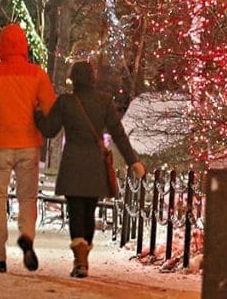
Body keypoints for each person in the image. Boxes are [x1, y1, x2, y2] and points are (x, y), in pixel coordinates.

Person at [35, 60, 146, 278]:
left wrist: (37, 114)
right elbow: (118, 134)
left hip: (73, 163)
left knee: (76, 211)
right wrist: (133, 160)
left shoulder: (66, 101)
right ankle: (84, 258)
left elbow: (49, 130)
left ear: (73, 79)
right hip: (96, 165)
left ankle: (80, 259)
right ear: (92, 78)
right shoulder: (104, 102)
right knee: (89, 211)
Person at [0, 23, 56, 273]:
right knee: (27, 197)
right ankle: (27, 236)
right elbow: (50, 106)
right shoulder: (37, 74)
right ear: (24, 46)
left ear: (1, 46)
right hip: (29, 145)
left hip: (1, 145)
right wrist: (35, 120)